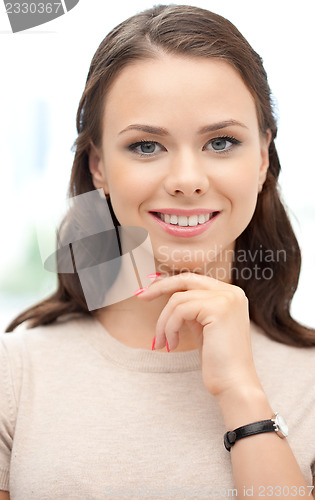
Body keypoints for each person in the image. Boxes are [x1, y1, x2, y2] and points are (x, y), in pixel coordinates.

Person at [1, 4, 315, 499]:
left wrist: (242, 393)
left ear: (261, 158)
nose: (187, 180)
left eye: (221, 141)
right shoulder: (15, 376)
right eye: (147, 146)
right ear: (99, 166)